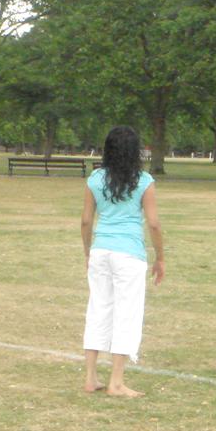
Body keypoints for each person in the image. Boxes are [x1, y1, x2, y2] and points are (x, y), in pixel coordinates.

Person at [81, 126, 165, 396]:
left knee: (98, 309)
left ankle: (91, 377)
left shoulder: (95, 179)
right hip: (129, 253)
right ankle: (116, 382)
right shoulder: (143, 180)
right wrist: (160, 257)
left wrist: (87, 252)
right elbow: (153, 223)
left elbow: (85, 220)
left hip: (101, 250)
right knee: (127, 313)